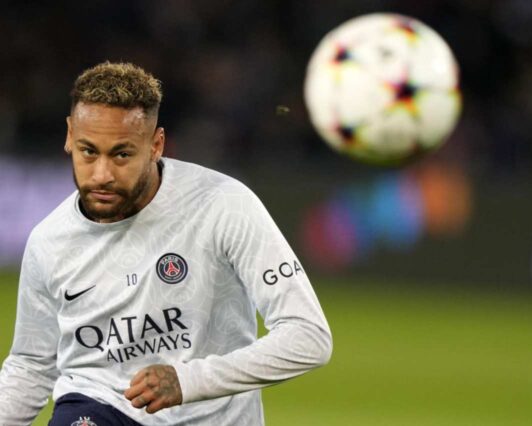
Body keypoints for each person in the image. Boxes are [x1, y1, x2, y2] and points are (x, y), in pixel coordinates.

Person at [0, 61, 332, 425]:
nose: (102, 175)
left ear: (156, 145)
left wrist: (189, 381)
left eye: (122, 154)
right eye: (88, 151)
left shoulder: (223, 205)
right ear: (69, 136)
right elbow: (32, 365)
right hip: (98, 404)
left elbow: (308, 337)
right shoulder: (49, 242)